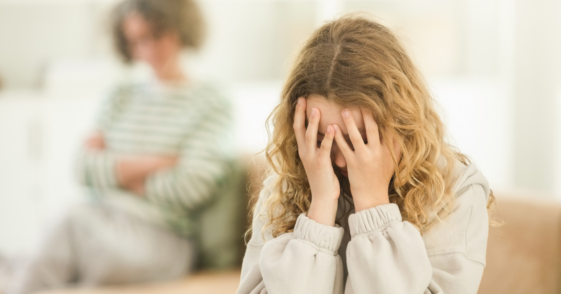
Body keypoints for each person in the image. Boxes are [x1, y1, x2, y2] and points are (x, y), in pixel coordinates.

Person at [237, 15, 496, 294]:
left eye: (358, 139)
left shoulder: (457, 189)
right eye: (322, 140)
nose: (337, 161)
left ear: (400, 121)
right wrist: (320, 208)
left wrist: (373, 206)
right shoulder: (289, 183)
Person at [7, 0, 234, 293]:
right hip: (103, 221)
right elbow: (83, 167)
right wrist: (159, 163)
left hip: (164, 239)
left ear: (180, 27)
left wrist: (115, 168)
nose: (148, 49)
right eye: (136, 41)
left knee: (70, 223)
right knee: (63, 233)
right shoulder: (119, 96)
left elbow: (193, 185)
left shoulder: (211, 102)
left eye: (157, 34)